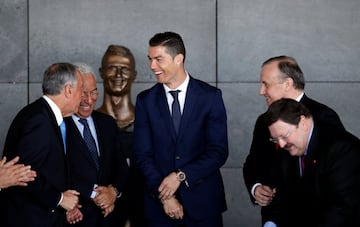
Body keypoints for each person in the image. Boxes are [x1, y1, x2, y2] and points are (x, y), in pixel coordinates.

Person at [133, 31, 228, 227]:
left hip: (204, 206)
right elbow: (142, 155)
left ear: (178, 59)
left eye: (159, 59)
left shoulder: (210, 96)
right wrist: (165, 197)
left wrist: (181, 176)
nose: (152, 66)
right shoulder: (145, 101)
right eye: (150, 59)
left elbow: (218, 151)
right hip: (158, 209)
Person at [242, 55, 345, 226]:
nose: (261, 91)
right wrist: (256, 187)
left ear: (288, 84)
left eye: (265, 84)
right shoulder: (264, 120)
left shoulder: (323, 116)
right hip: (272, 220)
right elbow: (253, 162)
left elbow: (335, 177)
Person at [2, 63, 83, 226]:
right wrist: (60, 199)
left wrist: (65, 202)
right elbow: (26, 173)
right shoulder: (39, 120)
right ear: (68, 90)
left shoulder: (42, 114)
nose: (82, 97)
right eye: (81, 90)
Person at [262, 98, 360, 226]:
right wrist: (271, 223)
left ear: (303, 123)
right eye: (275, 139)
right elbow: (280, 195)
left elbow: (342, 210)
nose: (281, 144)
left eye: (284, 136)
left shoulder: (342, 149)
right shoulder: (287, 147)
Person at [65, 62, 128, 226]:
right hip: (75, 215)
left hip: (108, 216)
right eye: (83, 93)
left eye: (94, 92)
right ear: (70, 92)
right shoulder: (58, 126)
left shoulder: (107, 123)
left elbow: (121, 167)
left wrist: (113, 193)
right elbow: (55, 171)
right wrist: (96, 195)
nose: (89, 99)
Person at [97, 45, 145, 227]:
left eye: (125, 69)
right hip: (100, 214)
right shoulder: (87, 123)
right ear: (101, 72)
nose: (118, 75)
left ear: (134, 74)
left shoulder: (147, 122)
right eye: (112, 67)